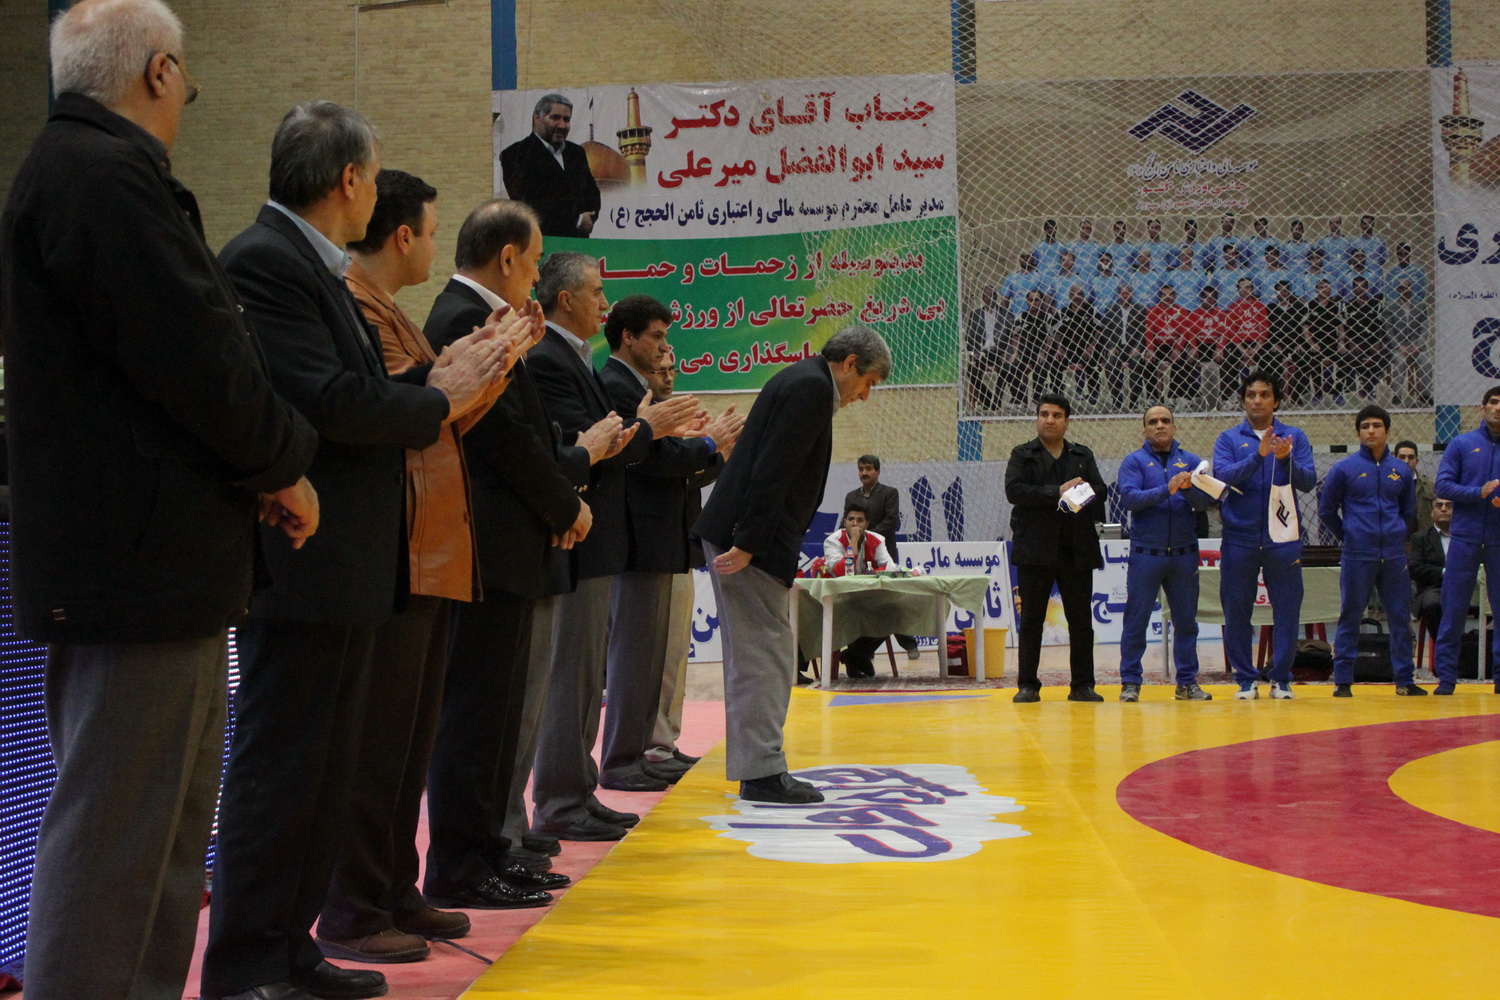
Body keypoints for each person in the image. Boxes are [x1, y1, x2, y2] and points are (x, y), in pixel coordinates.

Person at [2, 4, 319, 997]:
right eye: (186, 78)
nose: (187, 97)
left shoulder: (90, 171)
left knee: (167, 841)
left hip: (157, 559)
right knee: (117, 840)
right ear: (159, 71)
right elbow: (198, 359)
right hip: (131, 568)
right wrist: (281, 461)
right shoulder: (100, 176)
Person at [201, 101, 513, 1000]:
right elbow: (327, 400)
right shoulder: (265, 261)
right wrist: (439, 396)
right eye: (373, 179)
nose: (376, 196)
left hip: (346, 564)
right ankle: (247, 963)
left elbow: (355, 389)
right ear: (348, 181)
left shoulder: (316, 267)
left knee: (324, 774)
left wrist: (435, 384)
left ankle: (290, 949)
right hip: (306, 561)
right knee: (281, 769)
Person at [317, 170, 523, 963]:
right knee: (378, 747)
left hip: (431, 548)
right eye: (434, 231)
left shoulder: (395, 312)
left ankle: (395, 887)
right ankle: (355, 903)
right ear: (403, 235)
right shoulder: (356, 304)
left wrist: (493, 363)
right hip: (397, 546)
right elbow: (395, 413)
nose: (437, 246)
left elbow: (443, 416)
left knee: (409, 744)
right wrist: (461, 373)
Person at [422, 201, 614, 897]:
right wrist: (565, 505)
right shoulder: (461, 319)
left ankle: (487, 851)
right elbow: (505, 441)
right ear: (506, 257)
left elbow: (524, 432)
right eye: (533, 263)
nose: (536, 278)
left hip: (508, 543)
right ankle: (459, 866)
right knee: (475, 717)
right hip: (487, 546)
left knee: (499, 717)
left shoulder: (490, 320)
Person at [526, 253, 702, 841]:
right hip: (582, 536)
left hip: (606, 538)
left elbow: (609, 444)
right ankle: (560, 800)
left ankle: (579, 791)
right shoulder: (552, 360)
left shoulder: (575, 359)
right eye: (596, 291)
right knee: (572, 680)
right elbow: (585, 448)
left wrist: (663, 435)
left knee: (590, 681)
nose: (603, 302)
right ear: (566, 298)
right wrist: (653, 431)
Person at [693, 325, 891, 803]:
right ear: (850, 364)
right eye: (868, 383)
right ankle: (761, 773)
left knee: (761, 654)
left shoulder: (803, 379)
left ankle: (757, 765)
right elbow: (772, 470)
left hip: (749, 536)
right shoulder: (810, 388)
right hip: (750, 541)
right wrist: (748, 542)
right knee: (765, 656)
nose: (865, 396)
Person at [597, 294, 741, 789]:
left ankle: (643, 752)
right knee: (632, 660)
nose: (665, 350)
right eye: (656, 337)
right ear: (628, 337)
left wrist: (709, 449)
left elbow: (672, 464)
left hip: (661, 538)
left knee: (655, 659)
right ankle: (625, 758)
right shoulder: (616, 387)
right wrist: (708, 443)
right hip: (638, 541)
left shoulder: (638, 392)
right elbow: (651, 462)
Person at [645, 351, 726, 768]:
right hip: (651, 552)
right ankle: (652, 745)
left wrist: (717, 453)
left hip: (678, 546)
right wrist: (707, 444)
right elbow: (667, 470)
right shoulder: (647, 421)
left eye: (672, 369)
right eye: (659, 369)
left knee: (675, 655)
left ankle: (665, 740)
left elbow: (690, 478)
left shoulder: (675, 421)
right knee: (655, 658)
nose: (668, 376)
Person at [1213, 371, 1315, 700]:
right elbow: (1224, 477)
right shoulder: (1228, 439)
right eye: (1251, 395)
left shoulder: (1294, 436)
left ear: (1276, 401)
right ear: (1243, 401)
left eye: (1264, 395)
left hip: (1283, 539)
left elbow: (1308, 481)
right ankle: (1245, 679)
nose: (1257, 400)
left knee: (1287, 609)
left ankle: (1281, 678)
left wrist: (1285, 460)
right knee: (1236, 610)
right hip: (1239, 538)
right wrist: (1258, 455)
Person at [1005, 393, 1108, 703]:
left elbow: (1100, 490)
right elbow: (1014, 491)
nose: (1049, 420)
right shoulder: (1023, 454)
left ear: (1067, 421)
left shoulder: (1082, 455)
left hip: (1076, 550)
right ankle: (1027, 685)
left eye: (1056, 415)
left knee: (1081, 622)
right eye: (1044, 414)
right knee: (1032, 621)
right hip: (1035, 551)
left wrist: (1078, 494)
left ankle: (1082, 685)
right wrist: (1056, 492)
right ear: (1037, 419)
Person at [1318, 405, 1425, 696]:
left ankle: (1404, 680)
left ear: (1387, 431)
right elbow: (1326, 510)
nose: (1371, 431)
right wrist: (1349, 535)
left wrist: (1396, 537)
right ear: (1358, 433)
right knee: (1350, 614)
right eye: (1365, 426)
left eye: (1376, 425)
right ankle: (1343, 680)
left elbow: (1409, 513)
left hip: (1393, 555)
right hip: (1357, 554)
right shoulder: (1344, 469)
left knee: (1400, 616)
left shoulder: (1400, 470)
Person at [1115, 406, 1213, 701]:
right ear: (1144, 429)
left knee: (1186, 622)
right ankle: (1130, 682)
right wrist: (1167, 489)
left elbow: (1205, 502)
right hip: (1146, 553)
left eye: (1166, 421)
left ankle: (1187, 683)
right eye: (1153, 421)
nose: (1160, 425)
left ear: (1174, 427)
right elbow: (1129, 498)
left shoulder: (1191, 461)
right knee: (1136, 620)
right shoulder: (1134, 461)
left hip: (1184, 553)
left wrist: (1188, 489)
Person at [1431, 385, 1500, 695]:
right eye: (1493, 402)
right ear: (1482, 408)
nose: (1498, 408)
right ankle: (1446, 677)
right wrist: (1477, 493)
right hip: (1464, 536)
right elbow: (1443, 486)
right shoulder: (1462, 444)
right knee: (1454, 608)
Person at [844, 454, 918, 656]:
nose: (864, 473)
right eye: (861, 469)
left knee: (891, 599)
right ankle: (859, 652)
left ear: (877, 471)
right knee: (860, 601)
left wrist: (867, 537)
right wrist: (855, 540)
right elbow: (847, 522)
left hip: (883, 554)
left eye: (869, 469)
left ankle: (909, 644)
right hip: (859, 556)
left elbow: (891, 521)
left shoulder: (889, 493)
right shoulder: (852, 496)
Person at [500, 93, 601, 238]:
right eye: (555, 118)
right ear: (537, 118)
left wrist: (588, 218)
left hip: (578, 243)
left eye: (566, 119)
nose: (562, 125)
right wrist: (577, 220)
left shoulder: (576, 153)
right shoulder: (515, 154)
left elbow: (592, 196)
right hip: (542, 243)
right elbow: (529, 206)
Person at [822, 500, 896, 678]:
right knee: (857, 611)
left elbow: (891, 568)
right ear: (845, 522)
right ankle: (857, 657)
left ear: (867, 524)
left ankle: (855, 655)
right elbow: (842, 572)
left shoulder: (877, 540)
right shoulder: (832, 541)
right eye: (851, 519)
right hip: (839, 598)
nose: (855, 524)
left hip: (868, 595)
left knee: (893, 612)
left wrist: (870, 574)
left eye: (860, 520)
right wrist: (853, 543)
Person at [1099, 281, 1146, 410]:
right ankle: (1117, 400)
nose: (1125, 296)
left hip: (1133, 347)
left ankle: (1134, 401)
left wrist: (1138, 347)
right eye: (1123, 293)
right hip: (1117, 347)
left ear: (1132, 294)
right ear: (1118, 295)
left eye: (1127, 293)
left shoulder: (1140, 309)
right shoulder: (1110, 309)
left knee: (1136, 363)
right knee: (1110, 363)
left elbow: (1142, 332)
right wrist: (1111, 346)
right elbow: (1106, 331)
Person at [1409, 497, 1453, 635]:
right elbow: (1414, 569)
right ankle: (1443, 644)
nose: (1443, 509)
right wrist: (1444, 572)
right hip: (1433, 588)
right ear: (1432, 512)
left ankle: (1477, 645)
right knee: (1433, 604)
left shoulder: (1465, 537)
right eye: (1439, 506)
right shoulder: (1420, 538)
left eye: (1448, 506)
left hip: (1466, 587)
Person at [965, 284, 1009, 410]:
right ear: (982, 298)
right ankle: (987, 400)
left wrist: (1007, 352)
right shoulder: (976, 314)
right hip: (983, 352)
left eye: (991, 295)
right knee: (972, 371)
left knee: (1005, 369)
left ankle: (997, 403)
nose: (989, 298)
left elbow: (1010, 335)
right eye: (986, 295)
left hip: (1000, 351)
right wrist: (973, 352)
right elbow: (969, 336)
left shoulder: (1005, 313)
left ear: (996, 296)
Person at [1394, 440, 1435, 537]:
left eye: (1411, 457)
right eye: (1402, 457)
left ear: (1416, 461)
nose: (1406, 461)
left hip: (1424, 538)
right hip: (1396, 537)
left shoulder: (1430, 485)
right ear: (1394, 460)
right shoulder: (1387, 484)